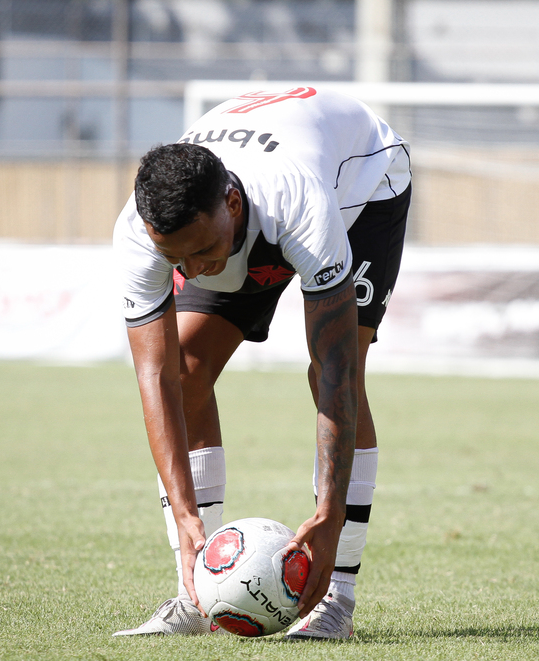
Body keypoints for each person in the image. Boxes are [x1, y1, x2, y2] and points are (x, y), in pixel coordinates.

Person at [110, 86, 410, 640]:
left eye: (200, 251)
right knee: (187, 369)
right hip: (256, 206)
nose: (191, 271)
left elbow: (338, 371)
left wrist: (329, 515)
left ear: (230, 204)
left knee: (328, 373)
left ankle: (337, 601)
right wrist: (184, 513)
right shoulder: (140, 234)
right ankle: (195, 596)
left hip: (363, 187)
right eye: (175, 258)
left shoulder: (298, 202)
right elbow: (157, 378)